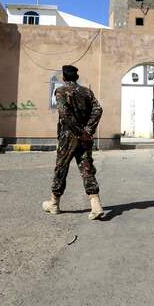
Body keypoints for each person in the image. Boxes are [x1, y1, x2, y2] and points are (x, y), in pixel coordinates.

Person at [42, 64, 105, 220]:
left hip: (68, 137)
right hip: (84, 138)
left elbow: (64, 114)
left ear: (63, 78)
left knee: (61, 168)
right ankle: (96, 205)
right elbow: (98, 109)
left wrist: (79, 132)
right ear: (76, 77)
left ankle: (54, 204)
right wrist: (88, 131)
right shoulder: (87, 92)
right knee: (87, 168)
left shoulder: (61, 91)